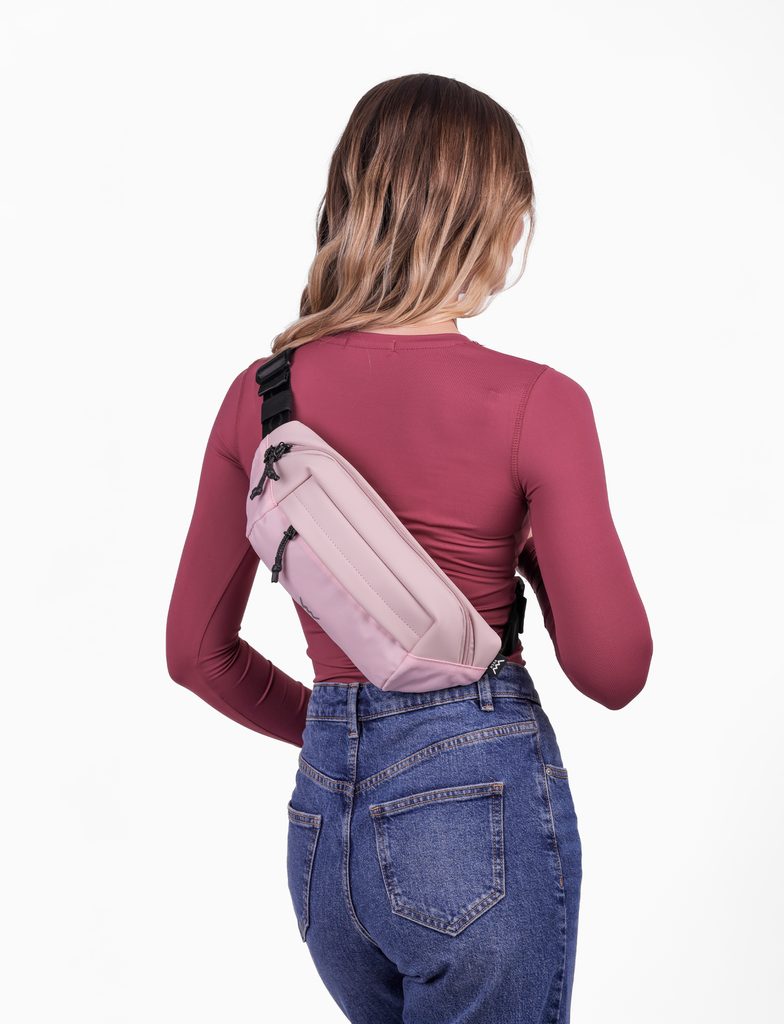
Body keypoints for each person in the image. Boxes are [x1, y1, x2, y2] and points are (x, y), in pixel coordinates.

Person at [166, 73, 653, 1024]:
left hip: (325, 834)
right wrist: (529, 558)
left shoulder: (259, 397)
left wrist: (346, 737)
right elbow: (614, 671)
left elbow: (196, 653)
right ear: (485, 221)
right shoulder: (539, 403)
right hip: (475, 812)